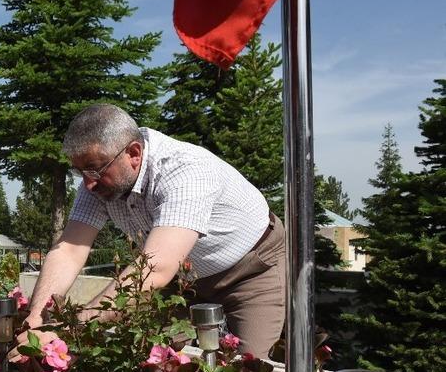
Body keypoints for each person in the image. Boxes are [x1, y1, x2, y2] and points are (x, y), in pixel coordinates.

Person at [22, 104, 285, 358]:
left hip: (249, 271)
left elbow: (156, 269)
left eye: (95, 169)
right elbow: (69, 250)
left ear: (134, 154)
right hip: (181, 281)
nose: (88, 183)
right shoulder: (99, 182)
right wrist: (37, 318)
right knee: (156, 363)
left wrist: (71, 328)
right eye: (80, 172)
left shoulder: (185, 170)